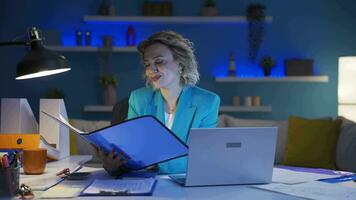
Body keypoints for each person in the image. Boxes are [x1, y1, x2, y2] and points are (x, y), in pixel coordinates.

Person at [97, 31, 220, 175]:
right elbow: (132, 151)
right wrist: (113, 166)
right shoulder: (138, 99)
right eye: (147, 64)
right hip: (147, 182)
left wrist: (154, 161)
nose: (151, 70)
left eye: (159, 61)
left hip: (185, 184)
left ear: (180, 64)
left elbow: (203, 157)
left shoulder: (207, 102)